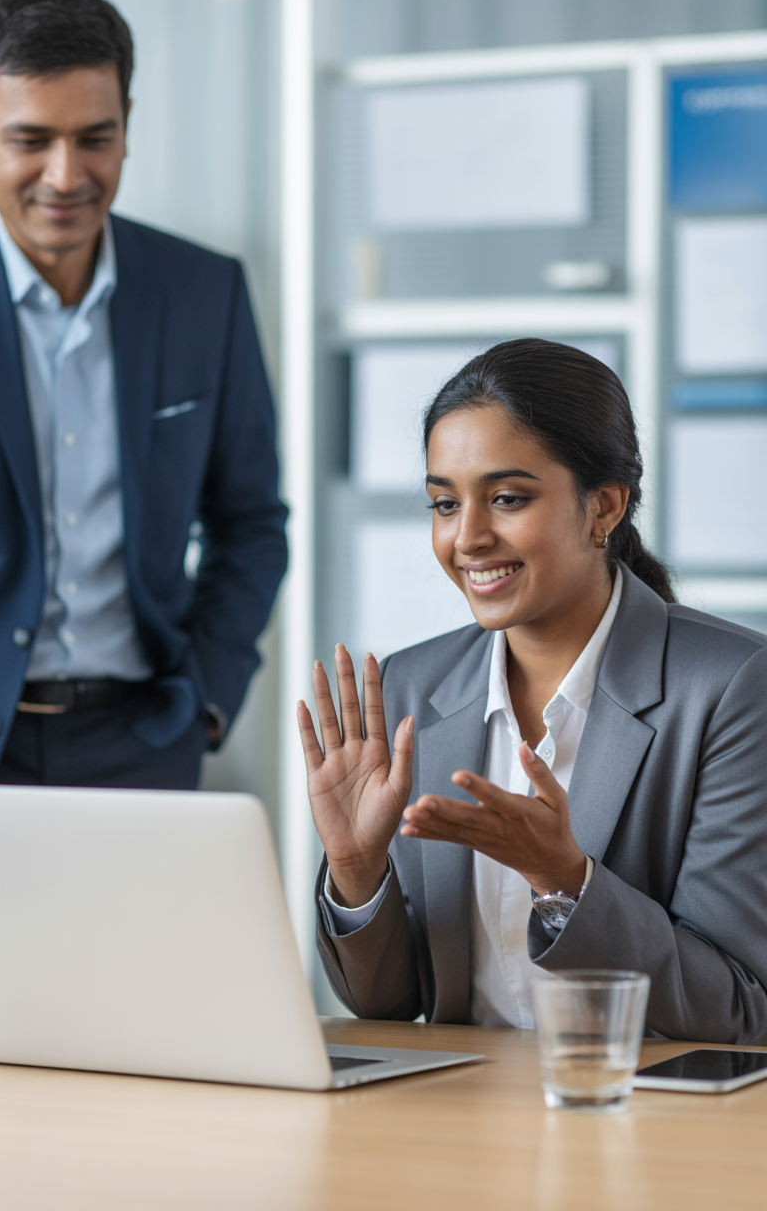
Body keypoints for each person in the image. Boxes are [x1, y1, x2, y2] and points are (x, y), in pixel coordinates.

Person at [298, 338, 767, 1044]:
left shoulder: (730, 688)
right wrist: (358, 874)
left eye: (508, 499)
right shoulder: (411, 688)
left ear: (603, 506)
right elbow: (387, 1005)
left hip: (651, 1122)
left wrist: (566, 880)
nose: (469, 538)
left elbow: (740, 1013)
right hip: (462, 1118)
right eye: (444, 504)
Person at [0, 0, 287, 789]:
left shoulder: (206, 292)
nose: (66, 176)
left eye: (96, 138)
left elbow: (250, 522)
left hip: (144, 740)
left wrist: (207, 699)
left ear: (127, 124)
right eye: (31, 140)